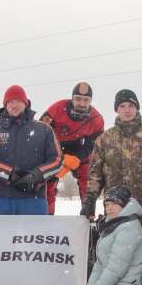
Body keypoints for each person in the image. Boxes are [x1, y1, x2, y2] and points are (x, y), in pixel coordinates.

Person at [0, 84, 66, 285]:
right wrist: (12, 173)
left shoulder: (43, 129)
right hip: (1, 199)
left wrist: (36, 176)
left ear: (26, 103)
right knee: (3, 251)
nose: (14, 105)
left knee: (37, 251)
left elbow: (57, 160)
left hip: (33, 200)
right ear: (5, 105)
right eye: (9, 102)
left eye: (17, 101)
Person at [83, 89, 142, 231]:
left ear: (136, 108)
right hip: (115, 209)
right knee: (116, 249)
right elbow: (95, 173)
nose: (127, 110)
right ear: (116, 109)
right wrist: (90, 200)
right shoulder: (105, 139)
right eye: (122, 106)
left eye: (131, 105)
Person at [78, 186, 142, 285]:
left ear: (124, 205)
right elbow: (100, 263)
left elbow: (115, 269)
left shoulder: (129, 227)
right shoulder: (113, 224)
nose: (109, 208)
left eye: (114, 204)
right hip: (118, 282)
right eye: (106, 204)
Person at [40, 82, 105, 214]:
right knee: (47, 182)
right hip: (55, 149)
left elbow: (93, 145)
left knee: (88, 180)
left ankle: (88, 215)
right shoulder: (56, 109)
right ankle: (46, 216)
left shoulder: (97, 119)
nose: (81, 103)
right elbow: (41, 135)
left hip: (80, 150)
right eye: (78, 99)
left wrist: (75, 158)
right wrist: (60, 159)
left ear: (90, 101)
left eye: (86, 100)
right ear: (72, 98)